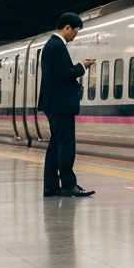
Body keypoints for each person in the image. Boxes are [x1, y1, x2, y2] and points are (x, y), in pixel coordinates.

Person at [37, 12, 94, 198]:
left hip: (54, 104)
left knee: (55, 146)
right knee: (66, 146)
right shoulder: (56, 46)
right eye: (75, 31)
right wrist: (82, 66)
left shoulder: (51, 45)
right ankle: (69, 185)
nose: (75, 35)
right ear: (67, 27)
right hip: (60, 105)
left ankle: (51, 186)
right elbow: (65, 74)